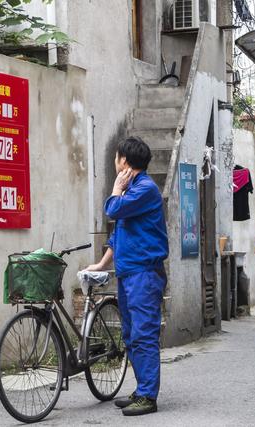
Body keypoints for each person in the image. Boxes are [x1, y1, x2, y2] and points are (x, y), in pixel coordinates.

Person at [86, 136, 169, 416]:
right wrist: (102, 263)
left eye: (116, 157)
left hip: (144, 274)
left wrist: (115, 188)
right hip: (129, 273)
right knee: (131, 334)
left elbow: (112, 210)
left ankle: (148, 396)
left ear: (124, 161)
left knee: (144, 334)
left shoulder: (143, 189)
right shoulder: (133, 190)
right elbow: (118, 234)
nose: (114, 162)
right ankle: (141, 389)